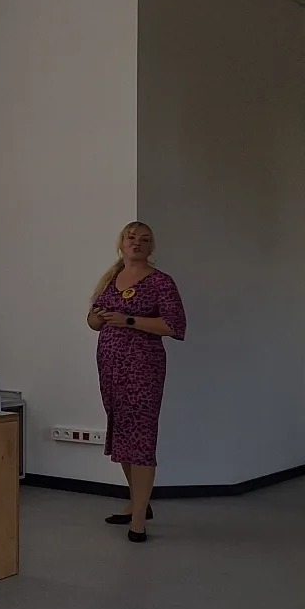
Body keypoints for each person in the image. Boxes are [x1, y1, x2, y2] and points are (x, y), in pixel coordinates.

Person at [86, 222, 186, 542]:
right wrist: (98, 318)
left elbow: (174, 325)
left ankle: (139, 521)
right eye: (132, 238)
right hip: (110, 368)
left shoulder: (160, 282)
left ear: (151, 247)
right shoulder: (111, 278)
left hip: (143, 369)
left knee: (141, 437)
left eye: (145, 239)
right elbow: (93, 322)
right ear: (122, 243)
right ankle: (137, 502)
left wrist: (128, 320)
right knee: (123, 434)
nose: (137, 243)